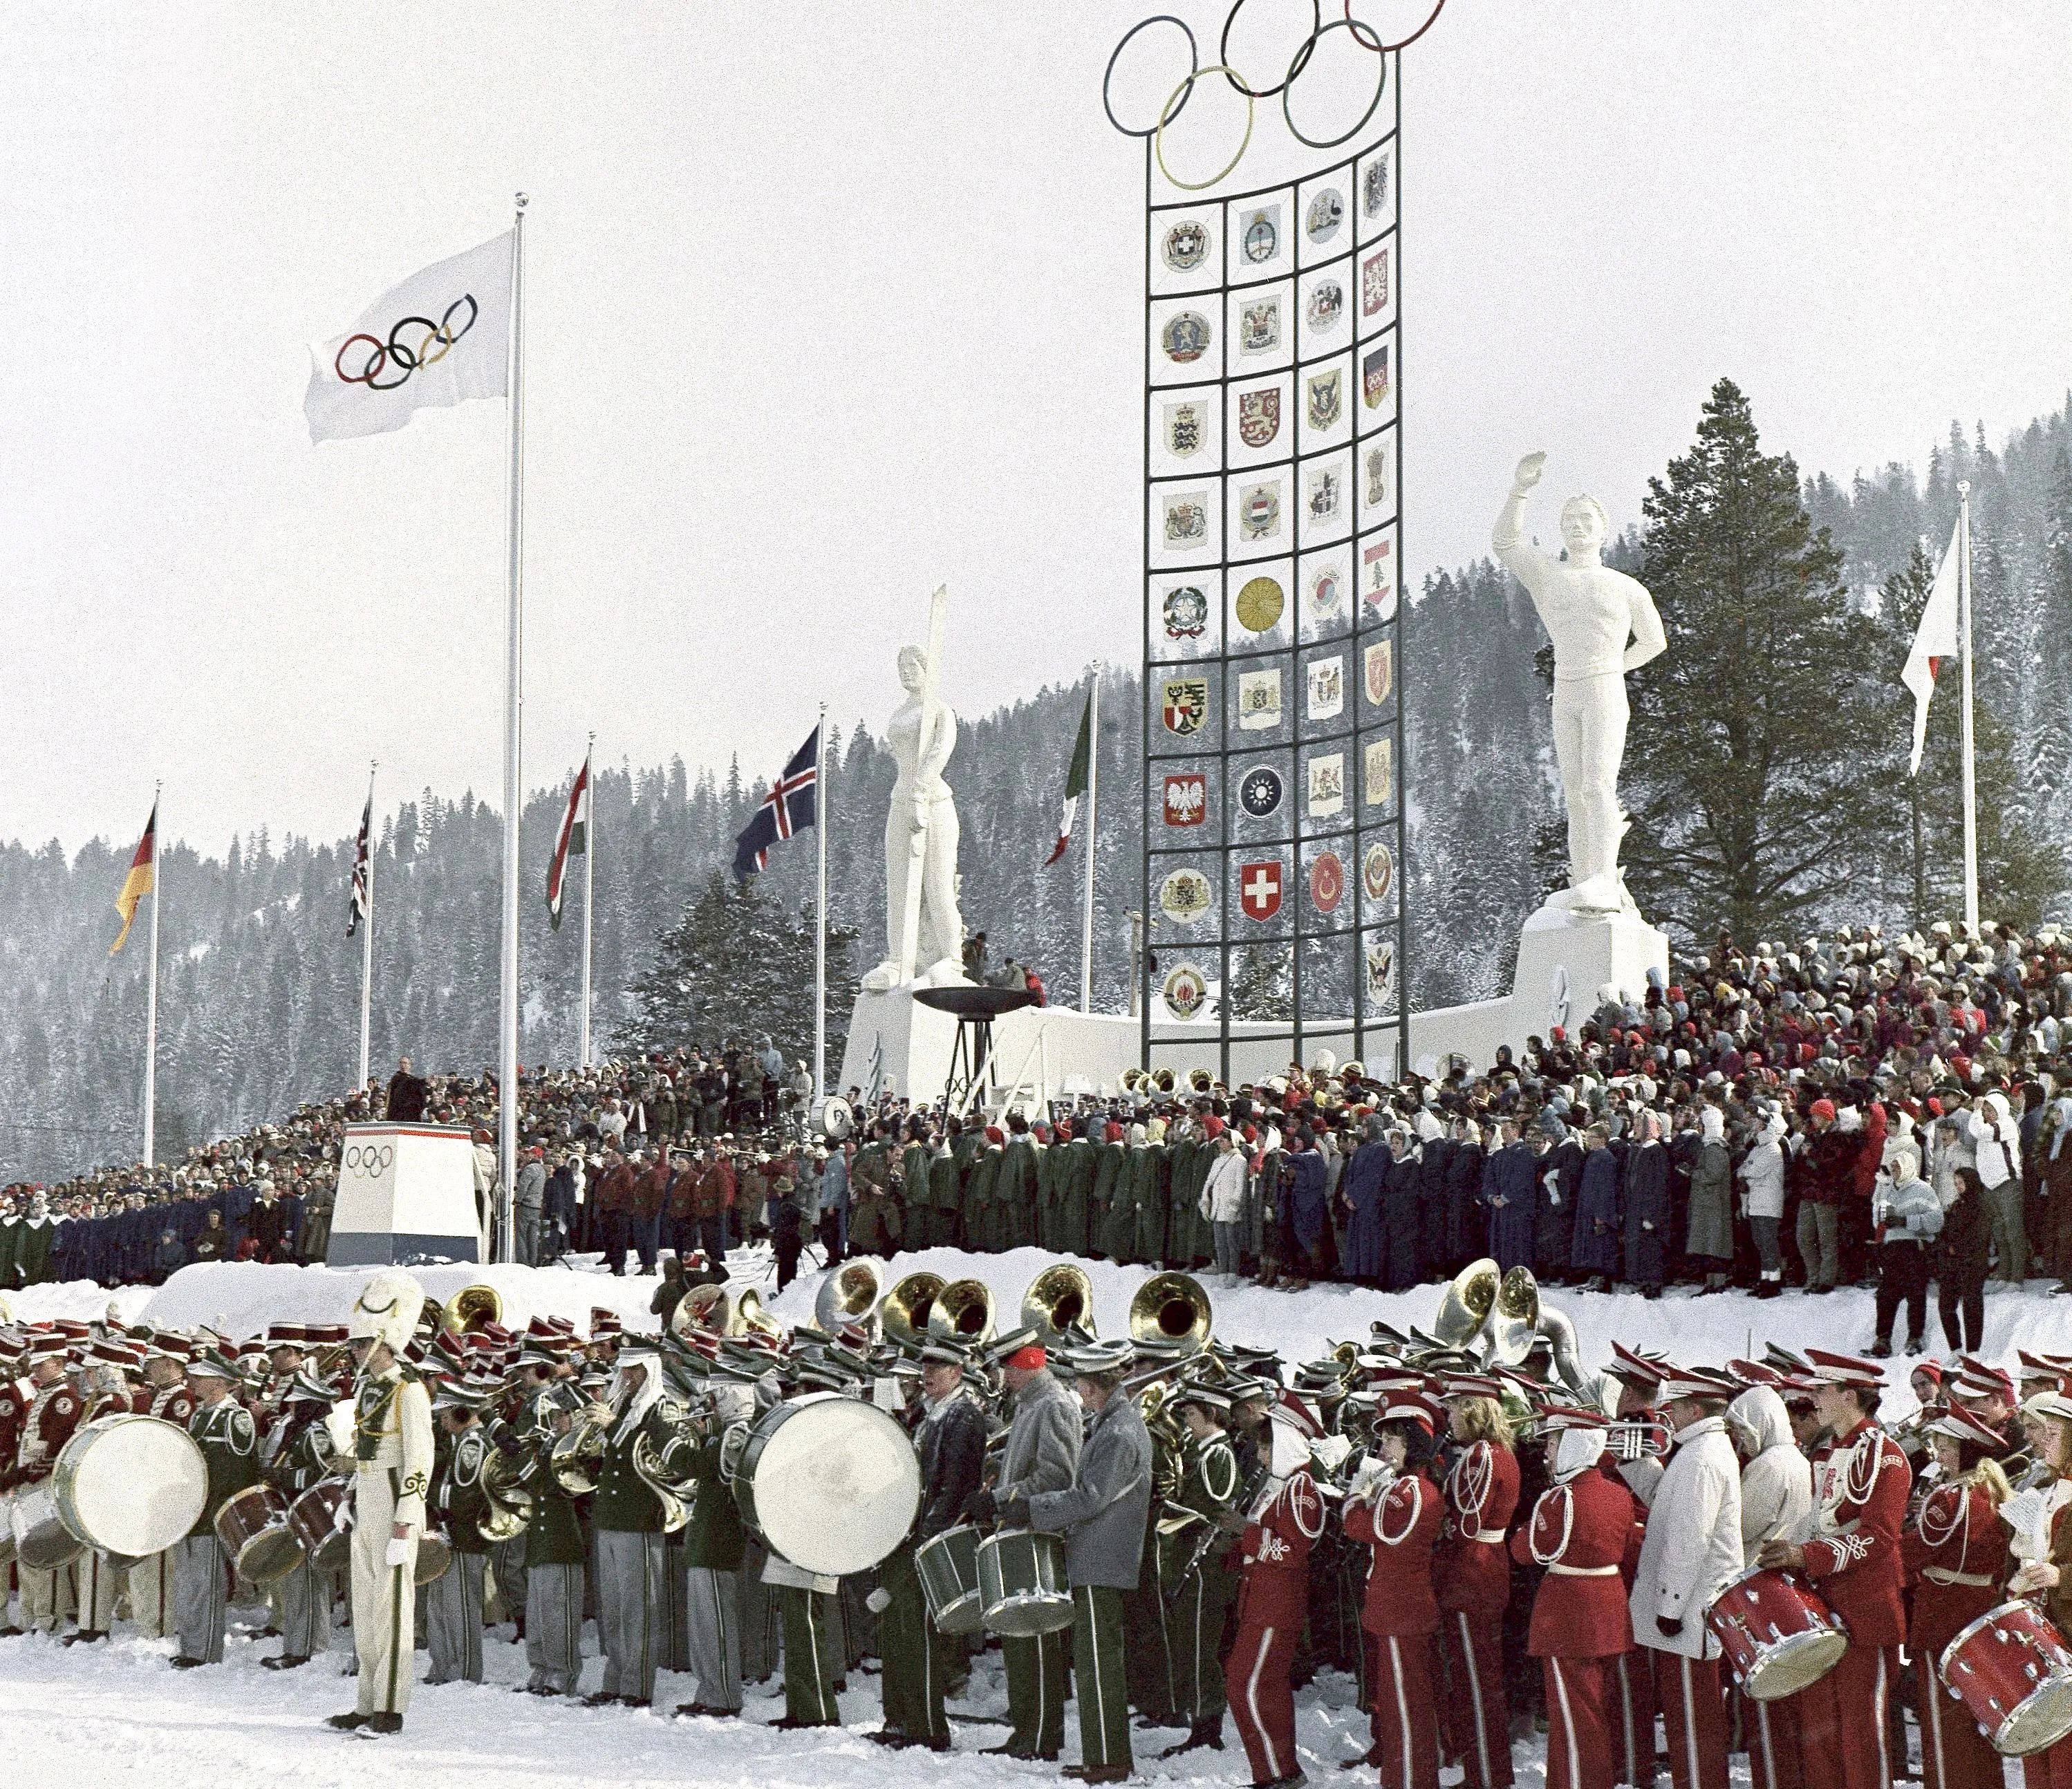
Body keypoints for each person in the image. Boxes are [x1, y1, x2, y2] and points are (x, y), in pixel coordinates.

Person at [1759, 1349, 1911, 1789]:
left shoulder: (1884, 1453)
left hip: (1867, 1611)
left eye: (1823, 1391)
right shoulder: (1832, 1451)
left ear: (1849, 1396)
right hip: (1824, 1608)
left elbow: (1880, 1536)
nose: (1815, 1400)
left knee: (1863, 1732)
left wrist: (1808, 1557)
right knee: (1821, 1728)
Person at [1010, 1339, 1151, 1785]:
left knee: (1098, 1662)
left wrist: (1028, 1509)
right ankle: (1104, 1754)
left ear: (1097, 1386)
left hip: (1102, 1559)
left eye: (1084, 1386)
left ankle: (1109, 1760)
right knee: (1095, 1661)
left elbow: (1089, 1497)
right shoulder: (1114, 1424)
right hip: (1098, 1558)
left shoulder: (1118, 1432)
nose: (1081, 1395)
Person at [327, 1271, 436, 1736]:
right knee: (367, 1607)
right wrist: (349, 1495)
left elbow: (419, 1460)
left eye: (362, 1344)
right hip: (368, 1502)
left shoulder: (408, 1390)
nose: (354, 1352)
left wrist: (406, 1520)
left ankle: (391, 1705)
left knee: (393, 1610)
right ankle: (366, 1701)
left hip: (394, 1507)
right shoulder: (369, 1389)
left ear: (386, 1344)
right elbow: (365, 1452)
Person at [1511, 1405, 1639, 1789]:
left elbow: (1523, 1551)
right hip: (1610, 1610)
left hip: (1568, 1616)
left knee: (1572, 1717)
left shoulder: (1560, 1499)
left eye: (1553, 1442)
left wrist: (1524, 1530)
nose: (1548, 1453)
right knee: (1593, 1710)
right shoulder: (1619, 1495)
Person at [1630, 1365, 1743, 1789]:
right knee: (1689, 1720)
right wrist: (1635, 1465)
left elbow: (1689, 1537)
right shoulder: (1701, 1451)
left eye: (1675, 1407)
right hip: (1691, 1602)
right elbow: (1669, 1506)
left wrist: (1670, 1605)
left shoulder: (1702, 1456)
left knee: (1692, 1722)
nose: (1669, 1415)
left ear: (1696, 1409)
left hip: (1692, 1606)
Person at [971, 1338, 1082, 1761]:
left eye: (1007, 1367)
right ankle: (1027, 1731)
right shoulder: (1030, 1404)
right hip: (1022, 1530)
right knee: (1018, 1635)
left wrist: (1002, 1499)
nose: (1002, 1376)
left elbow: (1057, 1477)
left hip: (1037, 1533)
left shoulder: (1052, 1405)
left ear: (1024, 1365)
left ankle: (1039, 1737)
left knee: (1034, 1634)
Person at [872, 1338, 986, 1752]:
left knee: (918, 1630)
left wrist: (924, 1535)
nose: (927, 1376)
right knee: (898, 1627)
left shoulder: (964, 1418)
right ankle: (900, 1718)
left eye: (936, 1370)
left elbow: (955, 1486)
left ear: (956, 1372)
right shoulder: (930, 1412)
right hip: (911, 1533)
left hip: (930, 1537)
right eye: (926, 1369)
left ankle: (925, 1726)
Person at [1901, 1405, 2010, 1789]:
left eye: (1946, 1447)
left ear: (1965, 1451)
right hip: (1979, 1608)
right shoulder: (1992, 1494)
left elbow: (1913, 1553)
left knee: (1942, 1723)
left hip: (1942, 1612)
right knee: (1976, 1720)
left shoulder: (1949, 1499)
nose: (1938, 1455)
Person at [1343, 1384, 1446, 1789]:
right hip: (1396, 1606)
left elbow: (1361, 1527)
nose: (1383, 1445)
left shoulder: (1411, 1491)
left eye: (1393, 1437)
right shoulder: (1405, 1487)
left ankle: (1411, 1779)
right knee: (1400, 1700)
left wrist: (1357, 1495)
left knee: (1406, 1705)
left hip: (1403, 1608)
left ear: (1414, 1442)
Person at [1226, 1389, 1327, 1789]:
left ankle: (1273, 1773)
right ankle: (1281, 1769)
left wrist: (1245, 1535)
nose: (1262, 1457)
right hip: (1261, 1598)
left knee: (1244, 1683)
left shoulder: (1300, 1489)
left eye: (1266, 1448)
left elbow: (1292, 1549)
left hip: (1276, 1603)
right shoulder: (1280, 1484)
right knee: (1264, 1684)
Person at [586, 1338, 693, 1709]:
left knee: (638, 1608)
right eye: (625, 1369)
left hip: (640, 1517)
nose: (627, 1376)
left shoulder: (661, 1408)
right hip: (611, 1515)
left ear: (650, 1370)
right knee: (614, 1606)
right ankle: (615, 1680)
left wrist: (614, 1426)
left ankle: (637, 1686)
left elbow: (653, 1452)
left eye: (635, 1370)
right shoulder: (622, 1403)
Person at [1437, 1377, 1520, 1789]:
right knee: (1477, 1679)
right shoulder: (1491, 1453)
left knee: (1477, 1681)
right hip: (1481, 1572)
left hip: (1474, 1574)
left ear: (1471, 1410)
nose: (1448, 1417)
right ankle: (1485, 1771)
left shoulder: (1482, 1456)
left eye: (1453, 1409)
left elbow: (1467, 1522)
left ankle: (1487, 1775)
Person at [1159, 1380, 1243, 1757]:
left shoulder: (1218, 1455)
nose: (1188, 1422)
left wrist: (1163, 1507)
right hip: (1194, 1560)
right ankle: (1199, 1721)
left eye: (1193, 1414)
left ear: (1212, 1414)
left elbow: (1213, 1510)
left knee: (1199, 1646)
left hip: (1205, 1562)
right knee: (1190, 1642)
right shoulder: (1206, 1452)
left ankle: (1207, 1727)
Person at [174, 1349, 256, 1666]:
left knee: (207, 1583)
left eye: (200, 1377)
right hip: (191, 1511)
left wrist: (207, 1498)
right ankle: (190, 1646)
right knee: (189, 1582)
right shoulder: (199, 1415)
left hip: (212, 1512)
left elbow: (238, 1472)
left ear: (218, 1383)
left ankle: (205, 1652)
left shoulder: (236, 1417)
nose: (192, 1381)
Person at [424, 1378, 493, 1686]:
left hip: (466, 1536)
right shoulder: (462, 1442)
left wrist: (426, 1491)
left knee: (461, 1609)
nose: (441, 1420)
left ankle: (464, 1672)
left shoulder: (473, 1444)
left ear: (461, 1412)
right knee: (440, 1607)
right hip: (451, 1536)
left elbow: (467, 1497)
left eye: (445, 1414)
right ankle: (443, 1667)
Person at [1869, 1147, 1940, 1356]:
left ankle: (1915, 1337)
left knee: (1915, 1293)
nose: (1895, 1172)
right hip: (1892, 1246)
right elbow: (1877, 1220)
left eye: (1898, 1168)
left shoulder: (1923, 1189)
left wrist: (1906, 1221)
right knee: (1886, 1295)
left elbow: (1936, 1221)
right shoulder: (1888, 1190)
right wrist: (1882, 1220)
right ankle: (1883, 1338)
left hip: (1914, 1246)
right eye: (1893, 1168)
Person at [1936, 1165, 1991, 1354]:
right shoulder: (1957, 1206)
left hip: (1972, 1263)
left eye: (1962, 1183)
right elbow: (1945, 1232)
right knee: (1946, 1307)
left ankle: (1973, 1352)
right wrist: (1945, 1247)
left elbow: (1979, 1235)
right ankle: (1956, 1350)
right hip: (1952, 1265)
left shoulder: (1981, 1205)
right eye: (1956, 1183)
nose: (1959, 1186)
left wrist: (1956, 1247)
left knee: (1971, 1307)